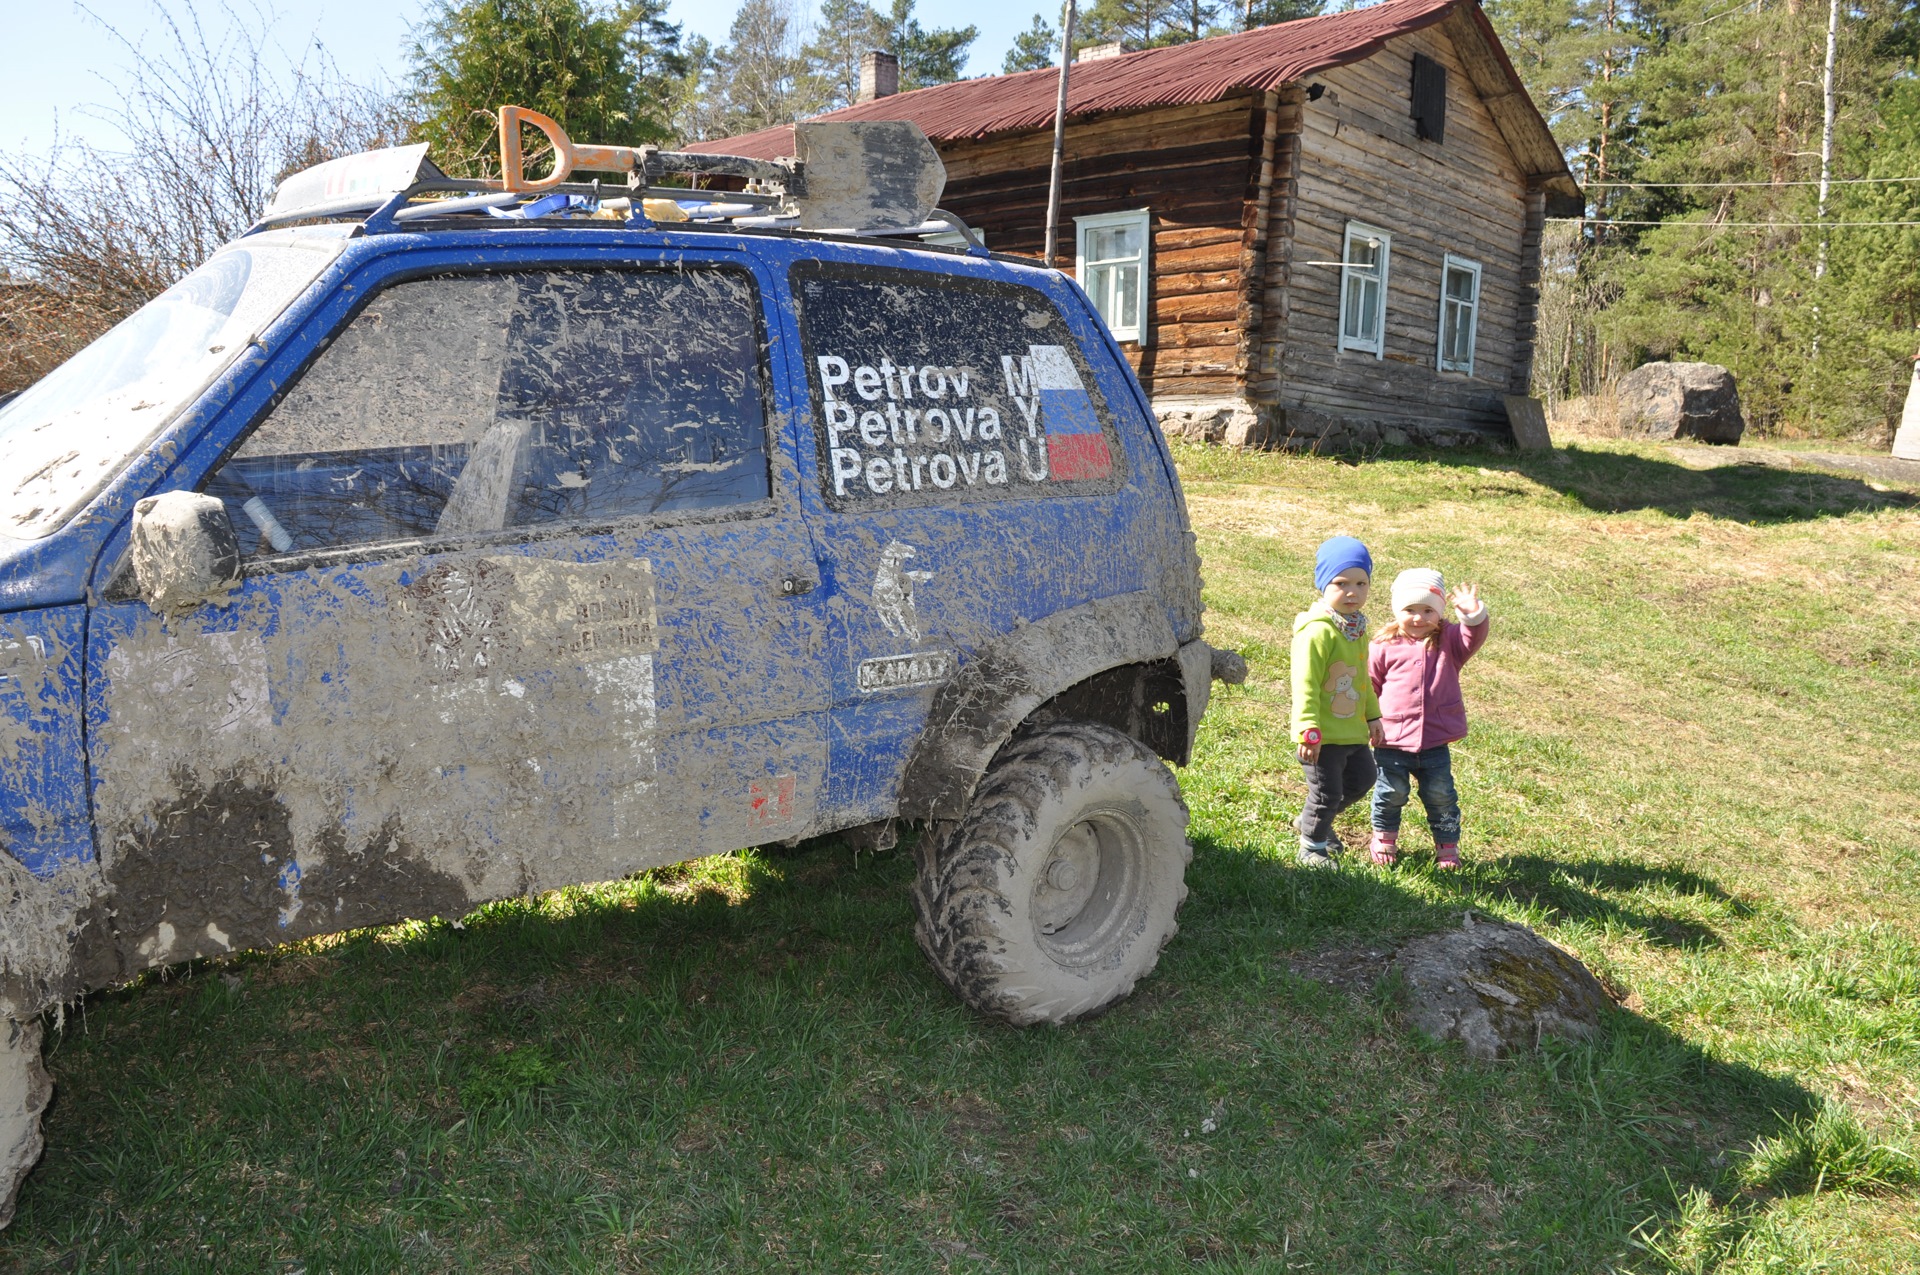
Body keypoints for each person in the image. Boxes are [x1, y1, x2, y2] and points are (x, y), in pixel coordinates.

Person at [1366, 568, 1490, 870]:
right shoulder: (1383, 646)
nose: (1418, 618)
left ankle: (1447, 847)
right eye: (1410, 610)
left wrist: (1473, 615)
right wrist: (1369, 720)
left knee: (1441, 796)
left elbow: (1473, 635)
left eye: (1428, 610)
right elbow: (1369, 686)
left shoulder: (1449, 642)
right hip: (1391, 740)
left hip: (1435, 741)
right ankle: (1384, 838)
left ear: (1440, 613)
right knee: (1390, 793)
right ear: (1397, 610)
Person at [1290, 536, 1384, 868]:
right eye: (1341, 583)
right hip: (1323, 735)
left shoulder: (1355, 629)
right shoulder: (1318, 632)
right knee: (1326, 794)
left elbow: (1362, 679)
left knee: (1363, 779)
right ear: (1323, 584)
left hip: (1352, 731)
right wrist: (1307, 729)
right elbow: (1305, 683)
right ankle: (1312, 848)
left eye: (1361, 583)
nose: (1352, 592)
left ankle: (1314, 820)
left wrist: (1373, 716)